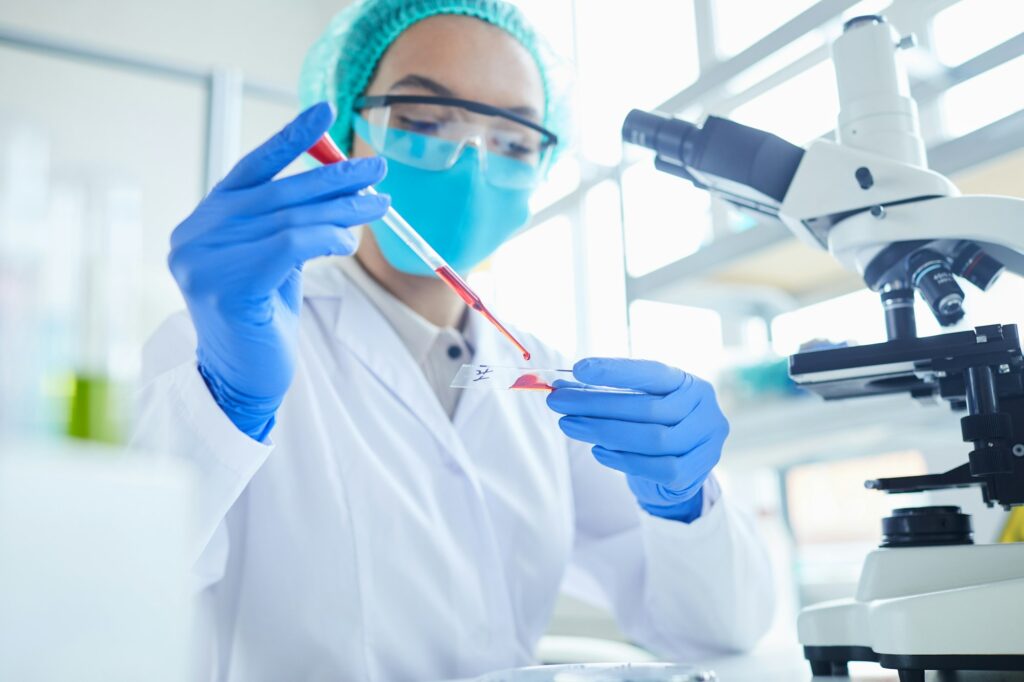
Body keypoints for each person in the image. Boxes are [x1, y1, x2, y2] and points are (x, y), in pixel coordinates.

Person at [134, 1, 774, 679]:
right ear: (353, 134)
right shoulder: (224, 344)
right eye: (424, 120)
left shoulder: (545, 377)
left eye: (514, 138)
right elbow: (111, 586)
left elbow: (721, 630)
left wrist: (685, 503)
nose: (471, 161)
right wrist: (225, 408)